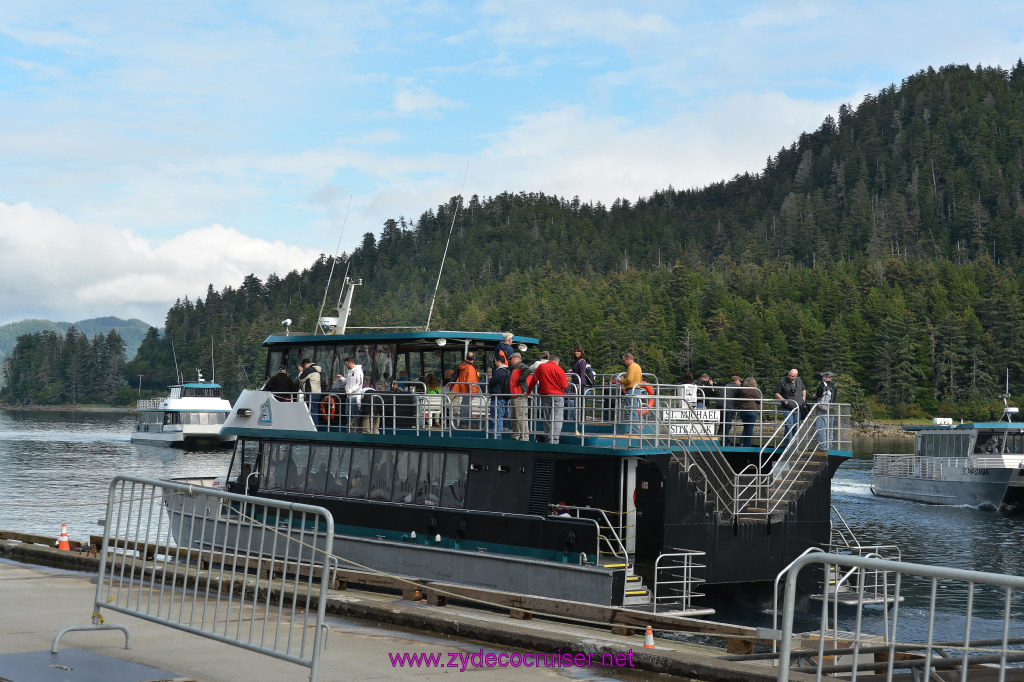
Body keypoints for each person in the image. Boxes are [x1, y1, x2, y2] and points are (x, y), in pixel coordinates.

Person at [528, 353, 569, 444]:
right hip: (557, 396)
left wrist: (528, 392)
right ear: (556, 361)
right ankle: (554, 440)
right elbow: (564, 385)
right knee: (557, 418)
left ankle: (548, 439)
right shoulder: (559, 369)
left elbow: (533, 380)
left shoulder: (541, 367)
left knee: (547, 417)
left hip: (545, 395)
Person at [774, 369, 806, 446]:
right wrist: (784, 400)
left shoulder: (799, 380)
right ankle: (788, 445)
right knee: (789, 426)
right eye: (789, 375)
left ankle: (793, 444)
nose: (790, 377)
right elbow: (776, 393)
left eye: (792, 376)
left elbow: (803, 389)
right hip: (787, 408)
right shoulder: (782, 382)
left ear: (796, 376)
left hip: (798, 407)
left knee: (796, 426)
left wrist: (804, 397)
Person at [614, 352, 644, 435]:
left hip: (631, 390)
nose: (624, 362)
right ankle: (635, 429)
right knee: (633, 410)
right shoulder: (637, 366)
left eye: (624, 360)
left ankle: (635, 430)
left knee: (631, 410)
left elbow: (629, 380)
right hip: (637, 390)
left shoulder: (631, 367)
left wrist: (620, 381)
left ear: (627, 359)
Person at [451, 353, 480, 428]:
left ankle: (467, 422)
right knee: (465, 406)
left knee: (465, 405)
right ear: (474, 359)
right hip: (468, 390)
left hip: (463, 389)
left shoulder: (463, 366)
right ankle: (464, 423)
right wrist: (473, 392)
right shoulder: (470, 368)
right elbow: (471, 381)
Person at [507, 353, 533, 440]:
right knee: (514, 417)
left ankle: (524, 438)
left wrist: (520, 380)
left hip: (519, 395)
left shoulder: (520, 366)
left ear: (515, 358)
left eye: (511, 359)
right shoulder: (516, 368)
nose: (510, 361)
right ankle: (517, 436)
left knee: (520, 417)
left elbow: (528, 370)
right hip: (515, 395)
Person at [568, 346, 591, 430]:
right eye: (575, 351)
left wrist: (579, 383)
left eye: (578, 351)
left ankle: (580, 418)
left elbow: (582, 373)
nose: (576, 353)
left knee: (580, 401)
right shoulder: (576, 361)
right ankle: (576, 417)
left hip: (579, 384)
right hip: (575, 383)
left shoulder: (582, 361)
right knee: (576, 400)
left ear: (581, 353)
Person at [488, 355, 511, 438]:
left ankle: (497, 436)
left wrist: (490, 390)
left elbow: (492, 382)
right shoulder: (507, 370)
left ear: (498, 361)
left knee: (497, 417)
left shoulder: (499, 371)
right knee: (500, 416)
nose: (494, 363)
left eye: (495, 361)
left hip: (497, 397)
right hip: (504, 397)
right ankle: (497, 435)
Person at [814, 371, 837, 447]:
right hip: (831, 409)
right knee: (830, 428)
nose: (822, 378)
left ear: (826, 377)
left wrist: (814, 396)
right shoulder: (834, 387)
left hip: (822, 409)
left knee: (821, 428)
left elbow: (818, 395)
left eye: (823, 376)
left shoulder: (822, 385)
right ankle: (829, 445)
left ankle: (822, 445)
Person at [736, 377, 760, 447]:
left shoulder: (742, 390)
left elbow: (739, 399)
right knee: (750, 428)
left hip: (743, 411)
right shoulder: (754, 390)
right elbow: (759, 400)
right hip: (752, 411)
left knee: (746, 427)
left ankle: (741, 442)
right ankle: (747, 444)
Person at [298, 358, 323, 425]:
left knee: (311, 411)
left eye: (303, 366)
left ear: (305, 364)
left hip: (311, 393)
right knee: (315, 410)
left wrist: (301, 371)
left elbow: (301, 379)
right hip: (317, 393)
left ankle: (313, 426)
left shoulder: (309, 370)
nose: (304, 368)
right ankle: (315, 425)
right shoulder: (317, 369)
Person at [343, 356, 364, 429]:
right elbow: (348, 381)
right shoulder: (350, 371)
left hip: (355, 396)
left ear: (350, 363)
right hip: (348, 396)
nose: (346, 366)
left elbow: (359, 384)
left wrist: (350, 390)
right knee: (347, 413)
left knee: (355, 414)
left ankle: (357, 428)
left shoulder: (358, 371)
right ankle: (350, 427)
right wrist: (341, 378)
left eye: (346, 364)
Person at [721, 375, 743, 445]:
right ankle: (726, 441)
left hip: (720, 405)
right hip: (728, 406)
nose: (740, 383)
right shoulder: (737, 387)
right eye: (740, 381)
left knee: (722, 423)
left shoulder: (727, 385)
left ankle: (721, 439)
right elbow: (741, 397)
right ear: (736, 381)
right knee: (727, 424)